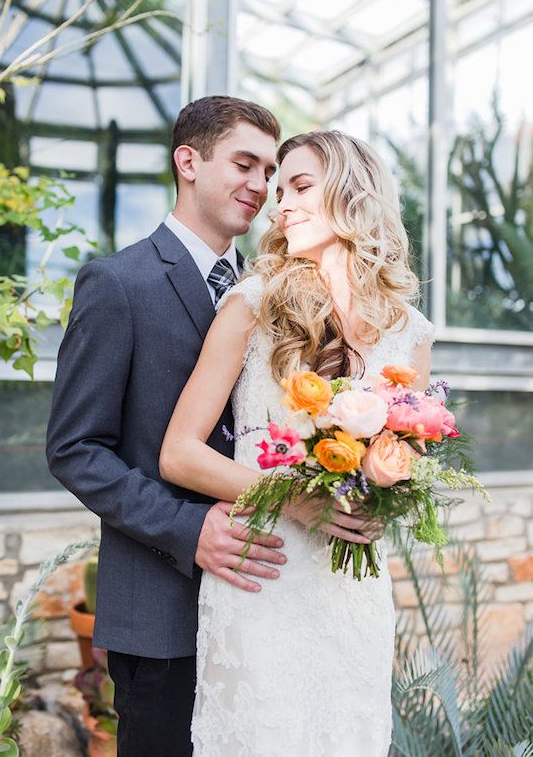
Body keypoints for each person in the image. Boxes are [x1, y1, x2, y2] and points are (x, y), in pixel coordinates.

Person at [46, 101, 372, 757]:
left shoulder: (279, 288)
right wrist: (188, 528)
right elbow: (75, 449)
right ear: (188, 162)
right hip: (160, 612)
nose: (259, 184)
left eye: (270, 171)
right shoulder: (118, 282)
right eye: (244, 163)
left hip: (270, 601)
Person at [160, 130, 435, 756]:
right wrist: (292, 500)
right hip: (264, 572)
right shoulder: (253, 304)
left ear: (353, 193)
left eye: (300, 186)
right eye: (280, 191)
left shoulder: (409, 331)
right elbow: (180, 451)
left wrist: (381, 501)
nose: (279, 203)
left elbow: (406, 455)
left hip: (351, 588)